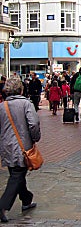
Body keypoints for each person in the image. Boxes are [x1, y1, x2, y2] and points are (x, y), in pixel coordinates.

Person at [0, 76, 41, 223]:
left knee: (16, 173)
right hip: (22, 147)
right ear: (21, 89)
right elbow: (33, 124)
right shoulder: (26, 104)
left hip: (6, 147)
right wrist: (35, 138)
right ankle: (3, 206)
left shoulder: (2, 106)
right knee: (17, 175)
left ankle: (26, 199)